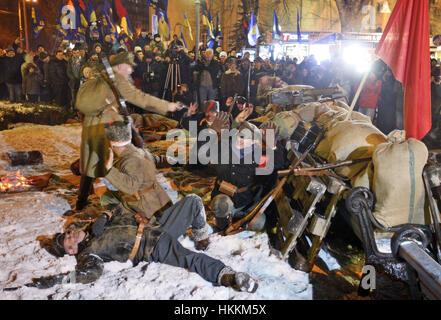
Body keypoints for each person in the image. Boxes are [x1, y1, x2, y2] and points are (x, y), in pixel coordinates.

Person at [36, 200, 258, 293]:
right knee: (189, 258)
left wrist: (104, 215)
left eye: (68, 233)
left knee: (191, 201)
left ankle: (203, 240)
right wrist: (61, 279)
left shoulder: (95, 225)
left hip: (158, 227)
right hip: (152, 246)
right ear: (72, 251)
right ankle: (230, 277)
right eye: (67, 240)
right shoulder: (89, 252)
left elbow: (118, 207)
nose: (71, 234)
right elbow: (91, 274)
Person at [74, 52, 182, 211]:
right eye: (128, 66)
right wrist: (167, 106)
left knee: (91, 160)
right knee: (128, 152)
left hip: (91, 126)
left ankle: (81, 201)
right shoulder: (116, 79)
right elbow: (141, 98)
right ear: (119, 66)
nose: (131, 70)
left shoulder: (97, 79)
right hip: (109, 125)